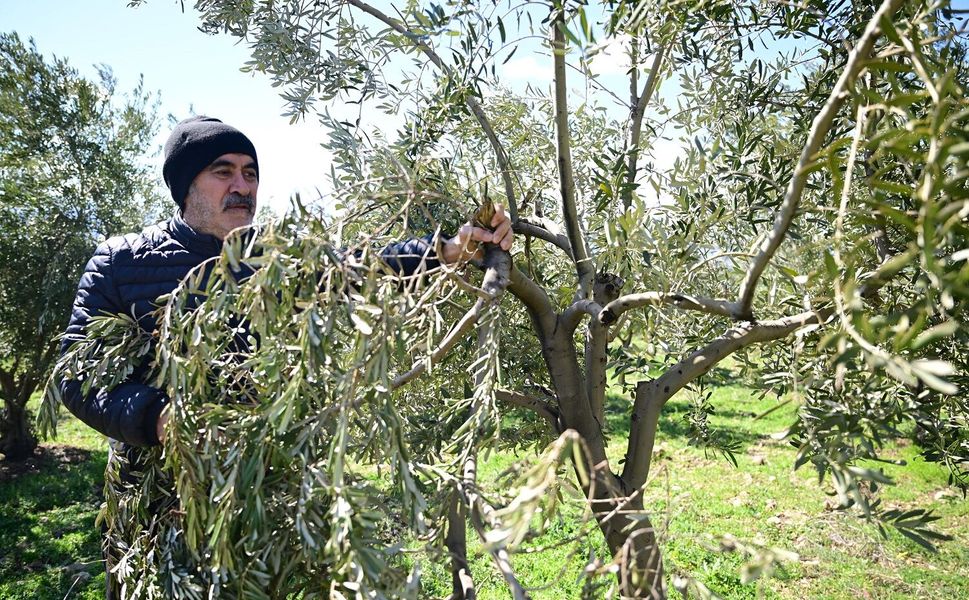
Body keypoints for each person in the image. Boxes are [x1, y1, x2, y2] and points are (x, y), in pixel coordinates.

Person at [58, 115, 513, 596]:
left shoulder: (275, 259)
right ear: (185, 183)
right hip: (159, 507)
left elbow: (360, 265)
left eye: (250, 173)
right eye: (223, 171)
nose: (243, 186)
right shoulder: (120, 263)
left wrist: (447, 248)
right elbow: (78, 376)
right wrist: (160, 419)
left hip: (264, 497)